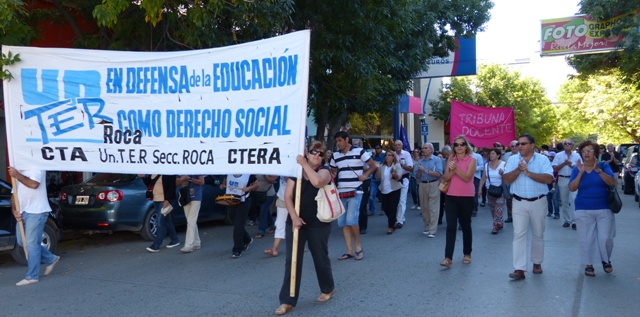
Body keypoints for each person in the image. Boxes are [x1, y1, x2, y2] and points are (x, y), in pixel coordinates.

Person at [275, 141, 334, 316]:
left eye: (320, 153)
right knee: (292, 261)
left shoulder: (325, 171)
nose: (316, 155)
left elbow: (317, 182)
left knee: (319, 257)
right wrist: (293, 217)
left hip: (318, 223)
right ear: (308, 152)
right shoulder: (296, 173)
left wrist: (304, 164)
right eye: (314, 151)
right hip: (296, 222)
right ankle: (287, 300)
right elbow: (288, 196)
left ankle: (327, 288)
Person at [503, 134, 554, 280]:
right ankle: (519, 268)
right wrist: (519, 170)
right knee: (519, 234)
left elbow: (549, 178)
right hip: (519, 201)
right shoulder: (513, 160)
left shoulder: (543, 159)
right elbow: (506, 180)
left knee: (538, 233)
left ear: (532, 145)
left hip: (538, 201)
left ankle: (537, 262)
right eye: (518, 144)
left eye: (523, 144)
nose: (520, 147)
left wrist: (528, 173)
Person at [568, 141, 616, 276]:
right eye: (584, 151)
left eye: (590, 151)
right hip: (583, 208)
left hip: (604, 207)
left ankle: (606, 259)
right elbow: (572, 188)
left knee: (606, 238)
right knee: (586, 238)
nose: (587, 154)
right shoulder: (577, 168)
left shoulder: (603, 165)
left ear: (595, 153)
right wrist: (581, 173)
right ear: (581, 153)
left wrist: (598, 171)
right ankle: (589, 264)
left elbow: (612, 182)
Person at [9, 168, 60, 286]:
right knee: (23, 242)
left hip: (36, 212)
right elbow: (13, 194)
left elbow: (33, 184)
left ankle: (32, 276)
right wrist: (14, 209)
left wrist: (17, 175)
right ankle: (50, 258)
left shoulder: (36, 167)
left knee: (31, 244)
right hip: (22, 212)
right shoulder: (18, 170)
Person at [330, 131, 375, 261]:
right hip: (340, 192)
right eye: (336, 141)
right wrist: (330, 175)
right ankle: (349, 250)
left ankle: (358, 247)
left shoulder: (360, 151)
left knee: (351, 220)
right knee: (343, 223)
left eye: (339, 140)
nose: (338, 143)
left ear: (346, 139)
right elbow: (334, 172)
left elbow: (373, 166)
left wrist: (365, 176)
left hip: (356, 191)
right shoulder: (335, 155)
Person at [440, 135, 476, 268]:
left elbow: (467, 178)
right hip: (451, 196)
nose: (459, 147)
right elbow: (445, 177)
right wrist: (452, 170)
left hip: (466, 197)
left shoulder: (471, 160)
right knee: (450, 227)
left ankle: (467, 253)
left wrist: (455, 169)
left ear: (466, 146)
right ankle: (448, 257)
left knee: (466, 226)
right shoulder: (451, 159)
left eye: (462, 144)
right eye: (456, 144)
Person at [222, 174, 259, 258]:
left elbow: (257, 184)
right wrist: (223, 185)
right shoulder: (229, 172)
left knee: (238, 225)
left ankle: (237, 249)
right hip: (231, 200)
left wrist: (248, 188)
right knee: (235, 222)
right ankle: (247, 239)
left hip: (243, 201)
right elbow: (224, 181)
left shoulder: (247, 174)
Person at [143, 174, 180, 253]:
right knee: (167, 220)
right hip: (157, 199)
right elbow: (150, 184)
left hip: (164, 200)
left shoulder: (168, 172)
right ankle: (175, 240)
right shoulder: (153, 172)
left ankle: (156, 245)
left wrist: (167, 200)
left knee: (160, 222)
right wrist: (143, 177)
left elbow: (171, 187)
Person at [414, 143, 443, 238]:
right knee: (424, 207)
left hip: (434, 184)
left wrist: (425, 171)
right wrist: (419, 171)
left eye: (425, 148)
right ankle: (427, 226)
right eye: (422, 148)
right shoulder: (420, 161)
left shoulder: (436, 160)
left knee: (433, 207)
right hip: (422, 185)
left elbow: (439, 174)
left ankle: (432, 230)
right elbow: (416, 176)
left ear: (431, 150)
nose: (423, 150)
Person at [552, 139, 582, 229]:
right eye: (565, 144)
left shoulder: (577, 155)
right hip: (562, 178)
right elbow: (555, 168)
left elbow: (581, 168)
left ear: (572, 146)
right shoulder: (558, 155)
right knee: (564, 201)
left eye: (569, 144)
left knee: (573, 200)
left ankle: (574, 221)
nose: (567, 145)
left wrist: (570, 164)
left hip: (573, 179)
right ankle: (566, 220)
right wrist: (564, 163)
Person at [477, 148, 506, 234]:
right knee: (493, 209)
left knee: (498, 209)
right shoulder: (487, 165)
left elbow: (508, 178)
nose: (491, 155)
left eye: (493, 154)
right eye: (490, 154)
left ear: (498, 155)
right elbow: (483, 178)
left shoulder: (503, 164)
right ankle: (499, 222)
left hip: (500, 190)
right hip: (490, 190)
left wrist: (503, 174)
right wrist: (479, 190)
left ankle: (495, 226)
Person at [375, 151, 403, 234]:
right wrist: (378, 169)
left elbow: (399, 176)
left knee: (392, 208)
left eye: (389, 155)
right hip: (384, 190)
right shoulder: (382, 166)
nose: (387, 156)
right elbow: (377, 177)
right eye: (386, 155)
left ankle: (390, 227)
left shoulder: (396, 165)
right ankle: (393, 220)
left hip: (394, 189)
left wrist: (393, 173)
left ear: (393, 157)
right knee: (385, 207)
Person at [177, 174, 205, 253]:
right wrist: (181, 179)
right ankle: (196, 242)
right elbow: (176, 183)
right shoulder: (179, 169)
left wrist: (189, 179)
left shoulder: (197, 167)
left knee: (191, 220)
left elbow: (202, 182)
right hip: (185, 196)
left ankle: (189, 245)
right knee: (191, 221)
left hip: (196, 197)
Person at [393, 140, 414, 228]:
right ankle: (401, 217)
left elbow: (410, 168)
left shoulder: (406, 154)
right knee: (396, 200)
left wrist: (401, 165)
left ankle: (399, 220)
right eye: (396, 145)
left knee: (402, 200)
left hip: (404, 178)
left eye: (399, 145)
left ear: (402, 146)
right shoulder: (392, 154)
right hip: (394, 179)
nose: (397, 146)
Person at [265, 176, 288, 257]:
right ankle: (274, 249)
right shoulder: (281, 168)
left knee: (297, 224)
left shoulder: (296, 167)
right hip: (282, 200)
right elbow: (272, 178)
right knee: (279, 224)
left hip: (296, 200)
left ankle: (301, 245)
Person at [502, 140, 518, 223]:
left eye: (516, 145)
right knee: (508, 198)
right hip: (507, 179)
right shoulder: (506, 156)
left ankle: (519, 216)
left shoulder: (522, 156)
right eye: (512, 146)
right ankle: (510, 216)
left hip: (518, 179)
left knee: (518, 198)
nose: (514, 147)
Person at [369, 145, 385, 216]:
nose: (377, 150)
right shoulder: (373, 157)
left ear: (381, 149)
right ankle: (372, 210)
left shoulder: (384, 156)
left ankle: (383, 210)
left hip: (382, 178)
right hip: (374, 179)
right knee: (372, 195)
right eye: (376, 149)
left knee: (384, 195)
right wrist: (373, 157)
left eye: (378, 148)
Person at [470, 144, 484, 217]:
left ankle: (474, 209)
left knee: (474, 193)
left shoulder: (477, 156)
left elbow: (481, 166)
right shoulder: (464, 156)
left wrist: (473, 169)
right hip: (467, 177)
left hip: (475, 177)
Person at [438, 145, 451, 225]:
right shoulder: (442, 162)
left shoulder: (454, 161)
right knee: (440, 201)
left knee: (450, 203)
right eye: (444, 154)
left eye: (447, 154)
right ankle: (439, 218)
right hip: (443, 183)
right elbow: (440, 173)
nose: (446, 156)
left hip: (452, 184)